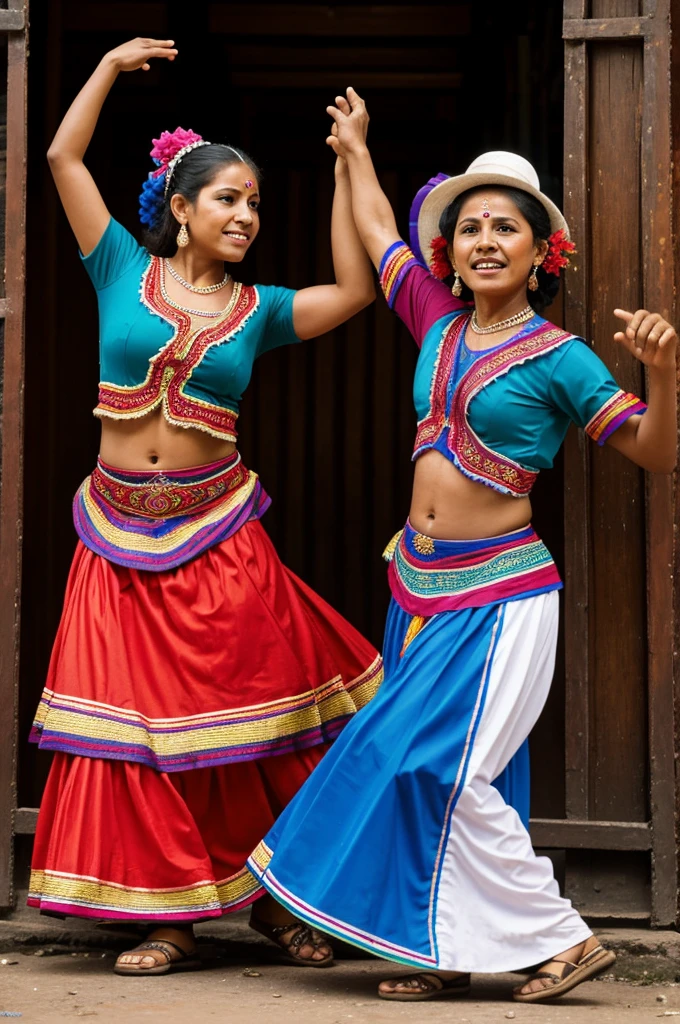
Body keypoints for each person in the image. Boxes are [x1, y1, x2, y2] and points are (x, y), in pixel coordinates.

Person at [247, 88, 677, 1004]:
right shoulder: (434, 322)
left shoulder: (563, 359)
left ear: (540, 254)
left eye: (506, 230)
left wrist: (667, 376)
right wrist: (352, 150)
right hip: (419, 587)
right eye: (471, 227)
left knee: (436, 765)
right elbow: (373, 230)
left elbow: (652, 450)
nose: (484, 240)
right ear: (454, 249)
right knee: (415, 775)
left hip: (502, 600)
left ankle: (562, 938)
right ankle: (436, 951)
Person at [28, 42, 383, 976]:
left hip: (218, 535)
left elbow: (353, 291)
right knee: (136, 740)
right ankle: (171, 918)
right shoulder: (115, 267)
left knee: (247, 734)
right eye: (229, 198)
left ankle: (271, 906)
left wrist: (351, 165)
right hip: (111, 538)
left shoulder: (260, 307)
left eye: (256, 203)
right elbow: (63, 160)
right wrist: (105, 68)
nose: (247, 216)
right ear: (180, 209)